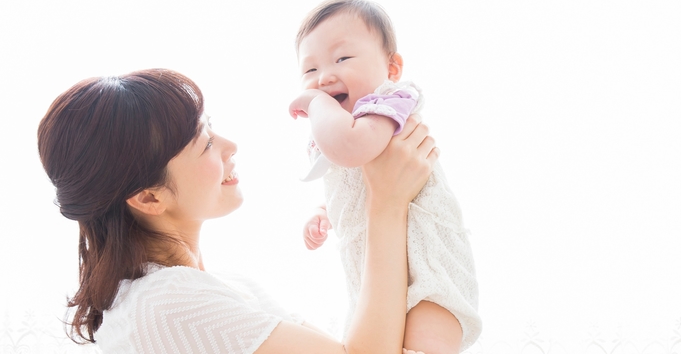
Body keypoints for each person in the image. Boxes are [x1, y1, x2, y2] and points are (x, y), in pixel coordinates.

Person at [37, 68, 438, 353]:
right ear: (148, 198)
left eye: (210, 126)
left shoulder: (214, 289)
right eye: (204, 142)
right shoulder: (167, 304)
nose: (229, 145)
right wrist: (385, 204)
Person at [288, 0, 482, 353]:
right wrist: (324, 211)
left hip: (429, 267)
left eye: (342, 58)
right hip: (375, 272)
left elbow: (353, 150)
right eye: (309, 70)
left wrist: (317, 103)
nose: (324, 76)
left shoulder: (387, 102)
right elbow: (349, 182)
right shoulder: (342, 127)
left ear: (392, 68)